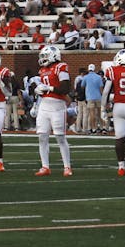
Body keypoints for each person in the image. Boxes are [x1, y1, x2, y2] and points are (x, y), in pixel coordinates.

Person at [32, 44, 73, 176]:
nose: (43, 58)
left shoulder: (61, 67)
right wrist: (39, 91)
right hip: (44, 105)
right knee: (42, 136)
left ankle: (67, 167)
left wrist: (49, 88)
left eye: (45, 56)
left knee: (60, 137)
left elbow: (65, 88)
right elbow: (44, 89)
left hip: (57, 106)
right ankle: (45, 166)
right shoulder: (42, 70)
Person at [81, 63, 104, 135]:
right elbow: (101, 88)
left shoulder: (85, 77)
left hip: (90, 97)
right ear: (94, 69)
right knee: (100, 113)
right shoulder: (98, 77)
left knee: (92, 114)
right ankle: (102, 127)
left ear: (88, 69)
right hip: (98, 97)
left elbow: (82, 86)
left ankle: (93, 128)